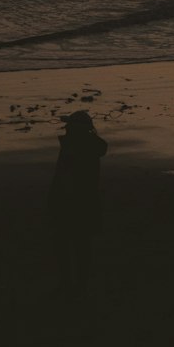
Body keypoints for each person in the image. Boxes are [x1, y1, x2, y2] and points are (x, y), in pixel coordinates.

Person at [48, 109, 108, 294]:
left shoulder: (73, 147)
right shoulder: (91, 146)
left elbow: (62, 177)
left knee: (68, 244)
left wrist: (54, 201)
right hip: (87, 201)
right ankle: (80, 284)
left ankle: (70, 284)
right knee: (81, 244)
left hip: (71, 202)